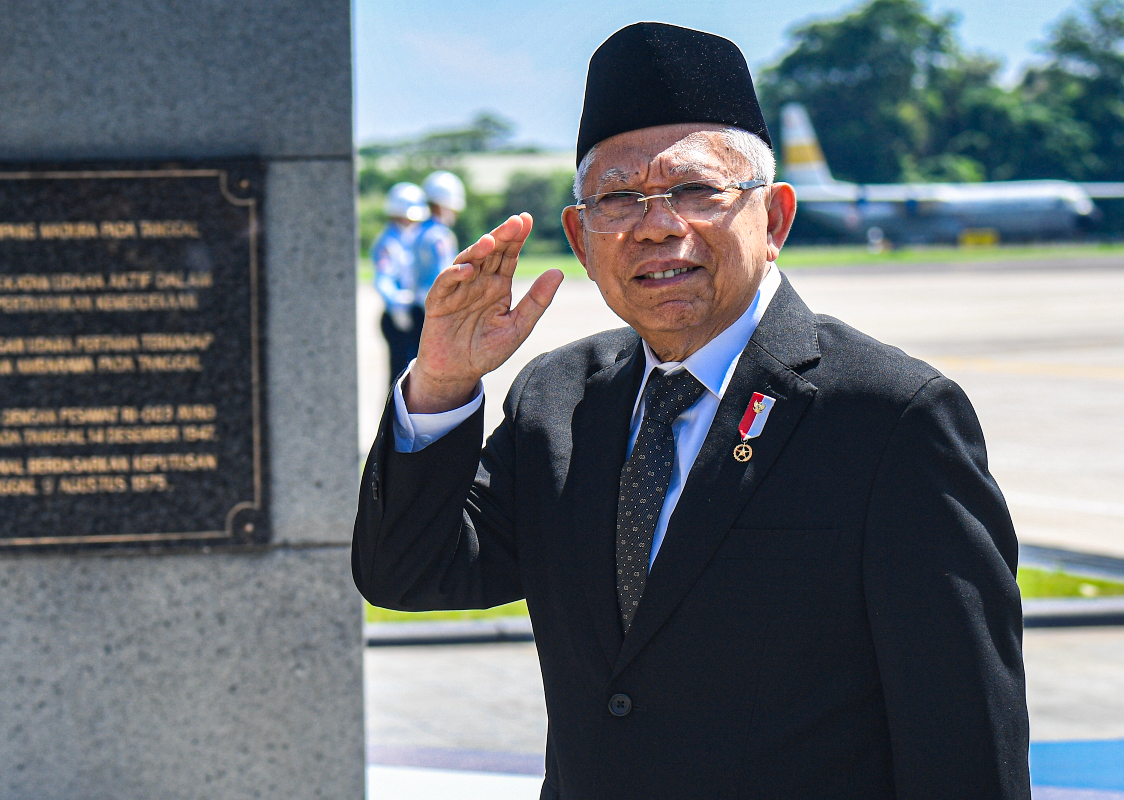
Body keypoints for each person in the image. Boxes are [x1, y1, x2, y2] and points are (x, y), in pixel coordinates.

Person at [354, 22, 1029, 800]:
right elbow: (406, 573)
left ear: (774, 219)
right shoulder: (559, 401)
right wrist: (439, 383)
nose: (656, 224)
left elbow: (963, 745)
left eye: (696, 190)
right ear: (580, 236)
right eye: (618, 198)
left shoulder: (887, 419)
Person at [372, 181, 429, 381]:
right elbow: (383, 278)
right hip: (397, 315)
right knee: (400, 375)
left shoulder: (412, 240)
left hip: (413, 312)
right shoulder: (388, 243)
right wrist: (396, 302)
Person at [410, 170, 465, 331]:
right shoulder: (441, 236)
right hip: (436, 307)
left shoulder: (417, 231)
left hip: (416, 304)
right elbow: (444, 273)